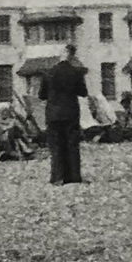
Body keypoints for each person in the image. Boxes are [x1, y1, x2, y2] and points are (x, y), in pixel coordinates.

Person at [39, 45, 88, 183]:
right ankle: (74, 177)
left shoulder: (49, 72)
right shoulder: (76, 72)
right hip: (71, 112)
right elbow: (83, 92)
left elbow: (42, 95)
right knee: (72, 144)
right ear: (72, 56)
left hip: (53, 113)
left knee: (56, 145)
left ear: (60, 55)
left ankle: (58, 177)